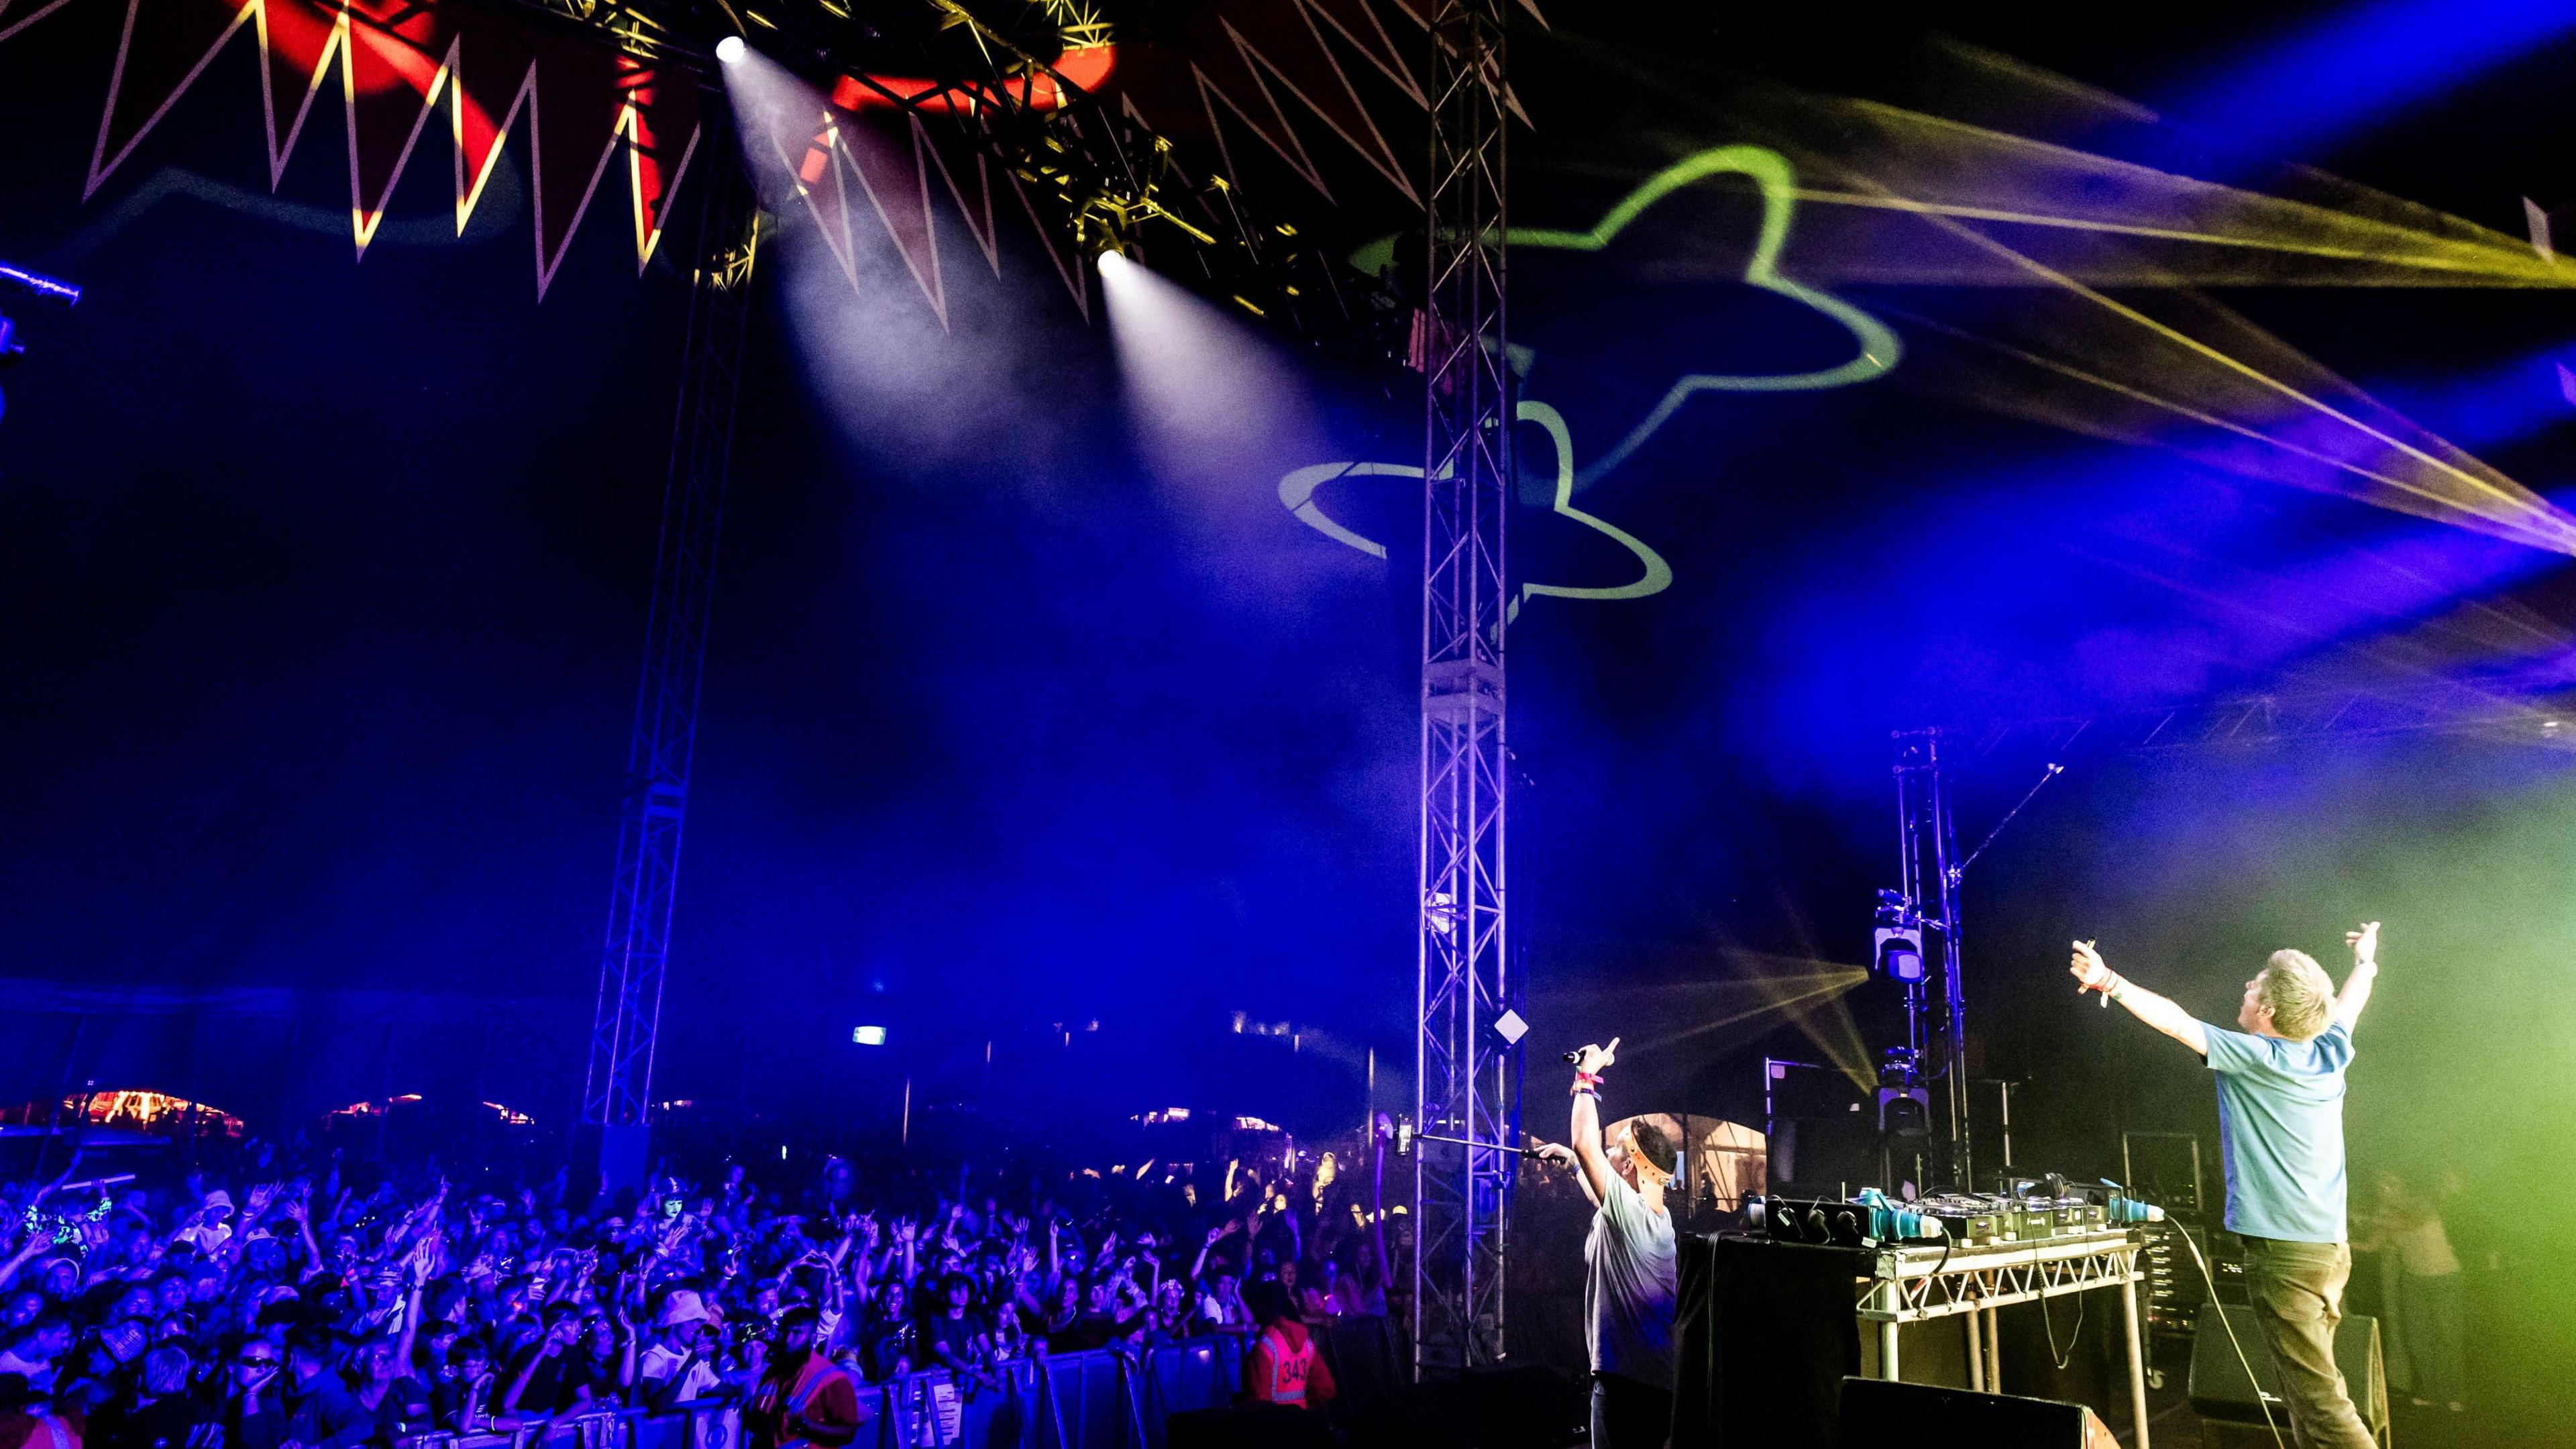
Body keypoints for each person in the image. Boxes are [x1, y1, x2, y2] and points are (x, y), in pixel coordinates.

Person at [2072, 922, 2381, 1449]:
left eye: (2256, 986)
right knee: (2307, 1396)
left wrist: (2109, 982)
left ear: (2271, 1013)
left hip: (2285, 1256)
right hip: (2326, 1251)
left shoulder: (2260, 1058)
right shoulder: (2328, 1052)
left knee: (2322, 1402)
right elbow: (2349, 1005)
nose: (2247, 988)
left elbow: (2177, 1023)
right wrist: (2365, 964)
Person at [1534, 1038, 1676, 1449]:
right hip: (1650, 1384)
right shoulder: (1654, 1218)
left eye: (1614, 1151)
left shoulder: (1630, 1214)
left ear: (1630, 1166)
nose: (1608, 1155)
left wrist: (1587, 1076)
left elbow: (1584, 1140)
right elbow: (1596, 1183)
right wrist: (1578, 1165)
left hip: (1625, 1385)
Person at [743, 1307, 863, 1449]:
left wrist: (810, 1427)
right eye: (786, 1331)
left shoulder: (831, 1377)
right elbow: (755, 1424)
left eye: (796, 1333)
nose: (788, 1339)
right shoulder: (772, 1373)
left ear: (812, 1338)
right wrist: (749, 1404)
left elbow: (847, 1432)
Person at [1240, 1280, 1332, 1412]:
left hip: (1275, 1428)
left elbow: (1258, 1402)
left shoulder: (1265, 1347)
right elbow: (1326, 1389)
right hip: (1301, 1424)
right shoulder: (1307, 1343)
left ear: (1262, 1308)